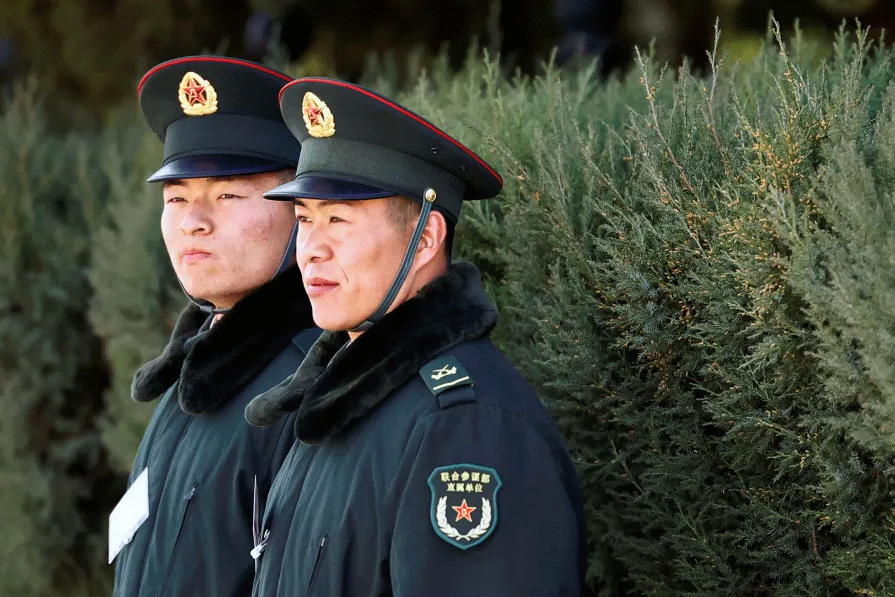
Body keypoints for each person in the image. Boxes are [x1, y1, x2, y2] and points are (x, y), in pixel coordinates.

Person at [244, 78, 586, 596]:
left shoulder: (466, 427)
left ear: (426, 239)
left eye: (337, 218)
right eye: (304, 218)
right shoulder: (342, 399)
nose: (310, 249)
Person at [109, 57, 319, 597]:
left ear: (300, 207)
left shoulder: (306, 385)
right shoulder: (193, 369)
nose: (193, 221)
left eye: (227, 194)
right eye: (176, 197)